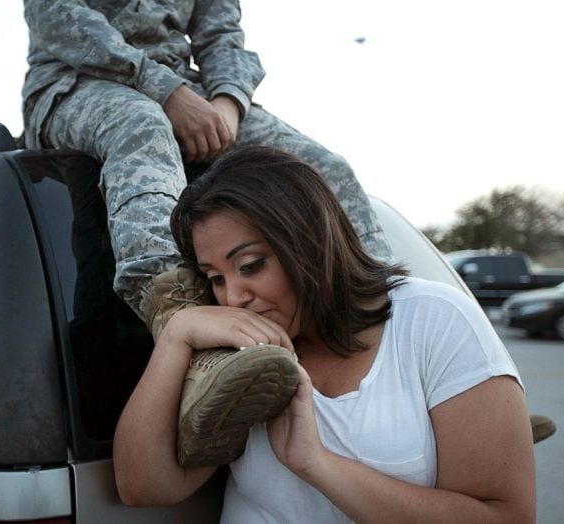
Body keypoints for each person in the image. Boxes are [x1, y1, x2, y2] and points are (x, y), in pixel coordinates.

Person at [21, 0, 393, 466]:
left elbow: (222, 35)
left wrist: (228, 105)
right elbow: (59, 20)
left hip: (194, 94)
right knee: (141, 125)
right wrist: (168, 92)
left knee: (324, 168)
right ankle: (198, 350)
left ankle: (381, 317)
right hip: (75, 83)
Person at [113, 147, 536, 522]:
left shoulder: (433, 320)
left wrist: (316, 464)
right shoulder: (240, 354)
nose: (233, 297)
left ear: (308, 241)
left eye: (250, 265)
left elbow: (505, 515)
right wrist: (177, 335)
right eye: (214, 278)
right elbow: (145, 488)